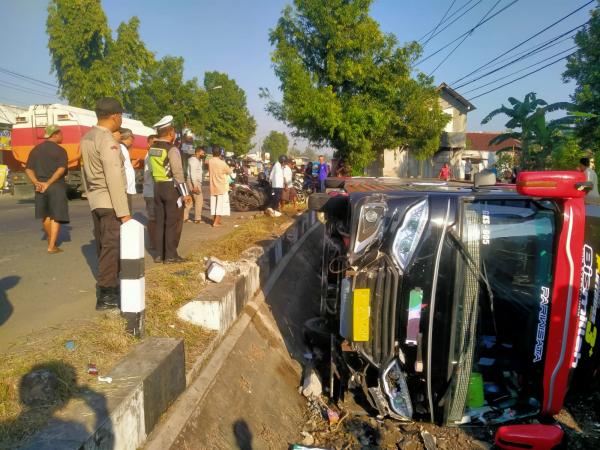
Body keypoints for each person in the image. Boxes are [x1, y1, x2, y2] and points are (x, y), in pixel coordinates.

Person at [80, 97, 130, 310]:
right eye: (121, 116)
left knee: (103, 246)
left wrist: (89, 194)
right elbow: (114, 177)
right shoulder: (108, 140)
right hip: (110, 202)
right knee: (112, 247)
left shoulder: (87, 137)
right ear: (116, 116)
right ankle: (107, 295)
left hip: (96, 200)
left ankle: (109, 287)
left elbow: (83, 170)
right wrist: (124, 212)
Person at [149, 115, 191, 264]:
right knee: (173, 222)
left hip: (158, 187)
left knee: (160, 221)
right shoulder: (172, 149)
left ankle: (160, 255)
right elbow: (178, 173)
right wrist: (185, 194)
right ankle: (171, 255)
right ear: (170, 133)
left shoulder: (152, 148)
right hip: (171, 188)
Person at [24, 124, 69, 254]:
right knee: (56, 216)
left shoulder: (36, 150)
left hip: (40, 186)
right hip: (56, 186)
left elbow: (28, 169)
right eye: (60, 133)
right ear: (54, 134)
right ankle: (51, 246)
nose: (62, 136)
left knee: (45, 215)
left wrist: (36, 182)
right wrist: (49, 182)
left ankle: (51, 239)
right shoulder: (60, 150)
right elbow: (61, 169)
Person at [207, 145, 233, 227]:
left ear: (212, 152)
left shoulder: (210, 161)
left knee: (214, 204)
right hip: (221, 186)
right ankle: (216, 222)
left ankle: (215, 220)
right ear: (220, 153)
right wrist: (231, 168)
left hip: (212, 186)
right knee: (219, 206)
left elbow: (206, 161)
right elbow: (229, 172)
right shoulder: (222, 163)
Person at [143, 134, 157, 250]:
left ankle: (155, 241)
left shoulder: (152, 154)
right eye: (154, 143)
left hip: (152, 192)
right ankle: (153, 243)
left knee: (155, 218)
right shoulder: (150, 155)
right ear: (148, 144)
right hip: (151, 192)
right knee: (153, 219)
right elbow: (155, 173)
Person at [184, 146, 205, 224]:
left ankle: (185, 217)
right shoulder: (194, 161)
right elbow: (193, 173)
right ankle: (197, 219)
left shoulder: (196, 160)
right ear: (197, 152)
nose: (203, 154)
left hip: (193, 181)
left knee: (191, 200)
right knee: (199, 200)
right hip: (194, 182)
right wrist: (195, 185)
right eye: (202, 153)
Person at [118, 128, 136, 211]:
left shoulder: (123, 148)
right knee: (127, 211)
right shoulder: (121, 148)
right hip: (125, 186)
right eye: (133, 138)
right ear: (129, 137)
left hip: (126, 186)